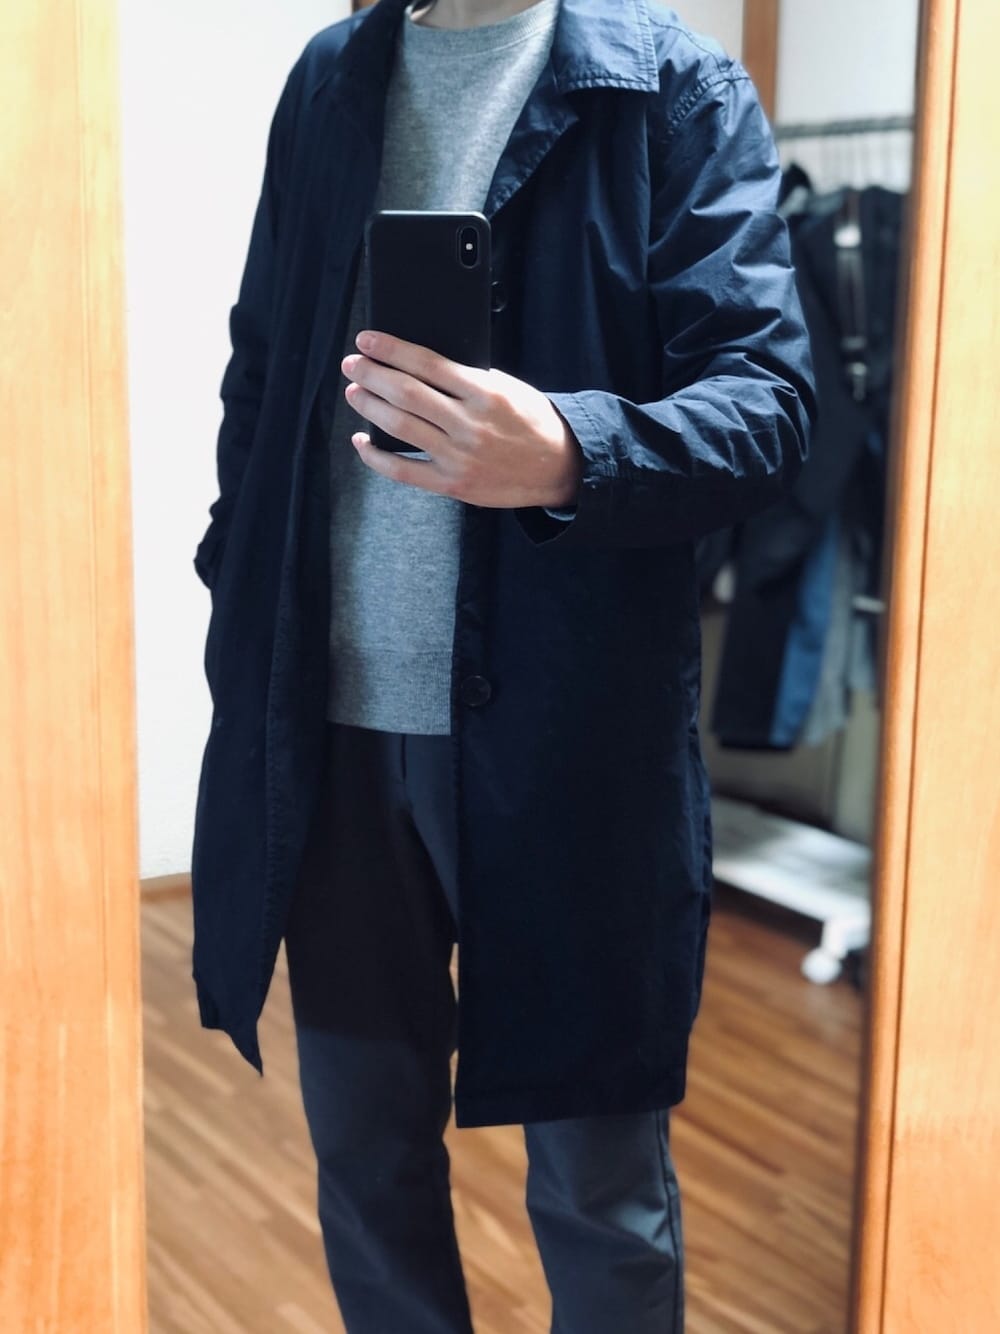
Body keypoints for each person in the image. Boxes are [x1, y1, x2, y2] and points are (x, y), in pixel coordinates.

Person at [190, 0, 815, 1329]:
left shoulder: (674, 90)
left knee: (599, 1185)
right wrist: (235, 574)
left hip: (569, 734)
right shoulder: (333, 79)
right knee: (366, 1162)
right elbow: (266, 361)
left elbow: (771, 406)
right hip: (332, 727)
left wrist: (572, 451)